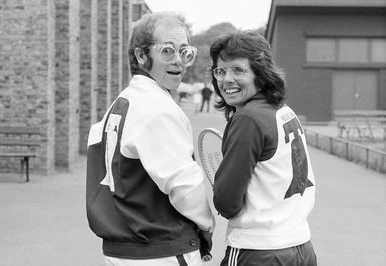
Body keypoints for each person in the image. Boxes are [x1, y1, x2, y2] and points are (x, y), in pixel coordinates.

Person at [86, 12, 215, 266]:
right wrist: (207, 224)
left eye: (185, 52)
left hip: (122, 249)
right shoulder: (157, 108)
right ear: (141, 55)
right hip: (159, 250)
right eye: (167, 50)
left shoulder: (120, 104)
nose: (178, 60)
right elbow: (184, 186)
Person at [209, 30, 317, 266]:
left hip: (260, 251)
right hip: (301, 249)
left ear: (260, 73)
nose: (227, 79)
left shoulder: (248, 119)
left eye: (238, 70)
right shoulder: (282, 110)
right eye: (220, 70)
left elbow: (226, 203)